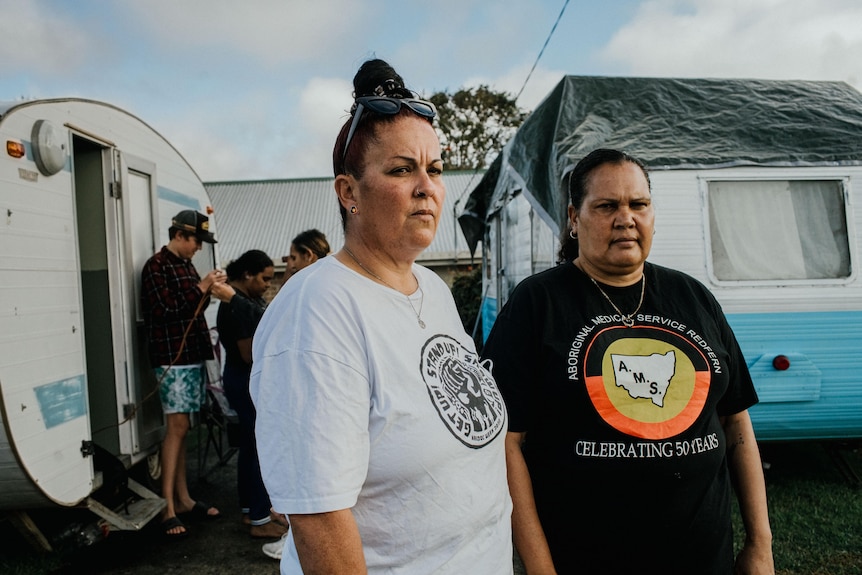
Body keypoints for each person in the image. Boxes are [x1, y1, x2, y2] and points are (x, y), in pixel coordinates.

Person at [250, 59, 513, 574]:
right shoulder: (317, 311)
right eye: (401, 170)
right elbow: (319, 516)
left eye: (434, 169)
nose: (427, 187)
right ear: (349, 192)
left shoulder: (431, 288)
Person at [482, 148, 774, 574]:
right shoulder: (537, 303)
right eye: (606, 206)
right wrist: (541, 568)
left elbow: (735, 421)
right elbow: (506, 444)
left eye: (639, 204)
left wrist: (760, 544)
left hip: (704, 558)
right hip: (584, 559)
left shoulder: (694, 298)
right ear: (573, 218)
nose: (626, 218)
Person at [141, 209, 225, 538]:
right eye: (196, 242)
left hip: (190, 355)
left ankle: (184, 498)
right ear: (179, 236)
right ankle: (167, 508)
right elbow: (163, 313)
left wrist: (205, 290)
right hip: (171, 358)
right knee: (175, 426)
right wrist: (201, 286)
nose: (199, 249)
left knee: (185, 425)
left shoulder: (184, 266)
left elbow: (191, 309)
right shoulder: (157, 267)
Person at [259, 230, 329, 561]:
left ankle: (298, 545)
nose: (288, 264)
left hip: (307, 394)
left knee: (306, 472)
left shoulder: (306, 290)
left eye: (292, 257)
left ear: (308, 257)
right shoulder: (331, 284)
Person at [210, 250, 286, 540]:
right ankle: (259, 518)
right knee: (258, 449)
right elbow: (248, 352)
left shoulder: (243, 300)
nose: (267, 284)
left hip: (241, 378)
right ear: (247, 275)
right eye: (264, 279)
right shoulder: (235, 306)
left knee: (249, 446)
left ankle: (249, 510)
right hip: (245, 379)